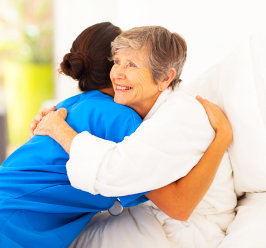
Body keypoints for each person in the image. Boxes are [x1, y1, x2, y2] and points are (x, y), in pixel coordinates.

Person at [33, 26, 236, 248]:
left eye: (132, 65)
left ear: (165, 77)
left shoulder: (180, 116)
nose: (117, 73)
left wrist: (58, 128)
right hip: (156, 218)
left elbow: (116, 170)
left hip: (185, 231)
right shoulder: (140, 112)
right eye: (117, 61)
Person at [0, 22, 148, 248]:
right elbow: (158, 191)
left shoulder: (68, 105)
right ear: (114, 67)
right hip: (11, 222)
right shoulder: (121, 118)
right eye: (125, 60)